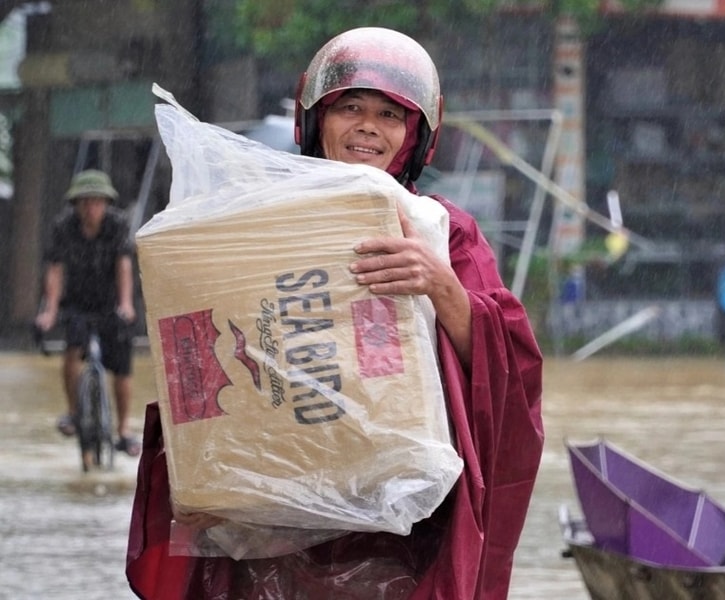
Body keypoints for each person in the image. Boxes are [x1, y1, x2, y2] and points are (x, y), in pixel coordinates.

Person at [125, 27, 544, 599]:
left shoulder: (443, 232)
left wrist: (441, 286)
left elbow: (511, 381)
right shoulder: (252, 220)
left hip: (398, 539)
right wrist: (203, 468)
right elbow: (198, 351)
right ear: (316, 119)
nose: (369, 126)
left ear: (415, 136)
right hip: (268, 521)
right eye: (350, 107)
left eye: (391, 115)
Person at [34, 169, 140, 457]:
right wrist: (51, 311)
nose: (91, 208)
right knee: (71, 354)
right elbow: (55, 269)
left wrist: (126, 303)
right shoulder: (63, 227)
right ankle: (72, 412)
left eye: (97, 201)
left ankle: (123, 430)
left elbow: (124, 265)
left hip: (112, 302)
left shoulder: (118, 225)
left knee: (122, 365)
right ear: (77, 204)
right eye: (85, 202)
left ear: (106, 203)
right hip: (77, 302)